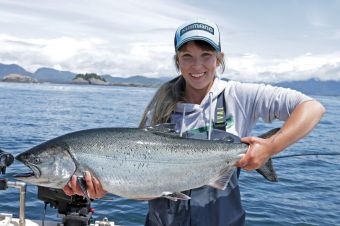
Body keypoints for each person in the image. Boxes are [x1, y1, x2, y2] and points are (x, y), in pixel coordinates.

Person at [64, 18, 325, 226]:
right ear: (177, 60)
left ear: (219, 59)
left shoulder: (240, 96)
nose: (196, 65)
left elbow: (312, 108)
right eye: (187, 55)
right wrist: (106, 186)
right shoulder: (161, 104)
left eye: (206, 55)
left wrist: (270, 147)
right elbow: (146, 180)